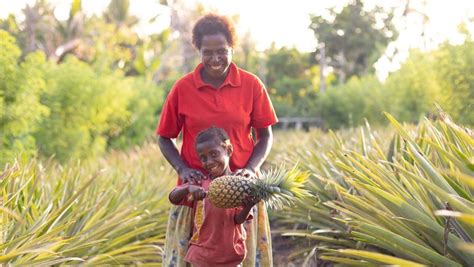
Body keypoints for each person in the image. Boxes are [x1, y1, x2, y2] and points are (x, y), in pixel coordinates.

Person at [157, 13, 277, 266]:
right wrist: (183, 169)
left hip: (241, 191)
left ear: (232, 48)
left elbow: (265, 136)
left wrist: (251, 169)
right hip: (196, 196)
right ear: (198, 51)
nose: (215, 59)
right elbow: (164, 137)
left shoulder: (251, 85)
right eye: (207, 52)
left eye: (221, 51)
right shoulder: (183, 88)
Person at [169, 127, 259, 267]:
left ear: (228, 150)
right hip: (201, 256)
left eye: (214, 154)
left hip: (230, 255)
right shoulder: (199, 182)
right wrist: (188, 188)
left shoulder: (239, 184)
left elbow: (238, 219)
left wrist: (248, 207)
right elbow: (173, 197)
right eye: (203, 158)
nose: (209, 162)